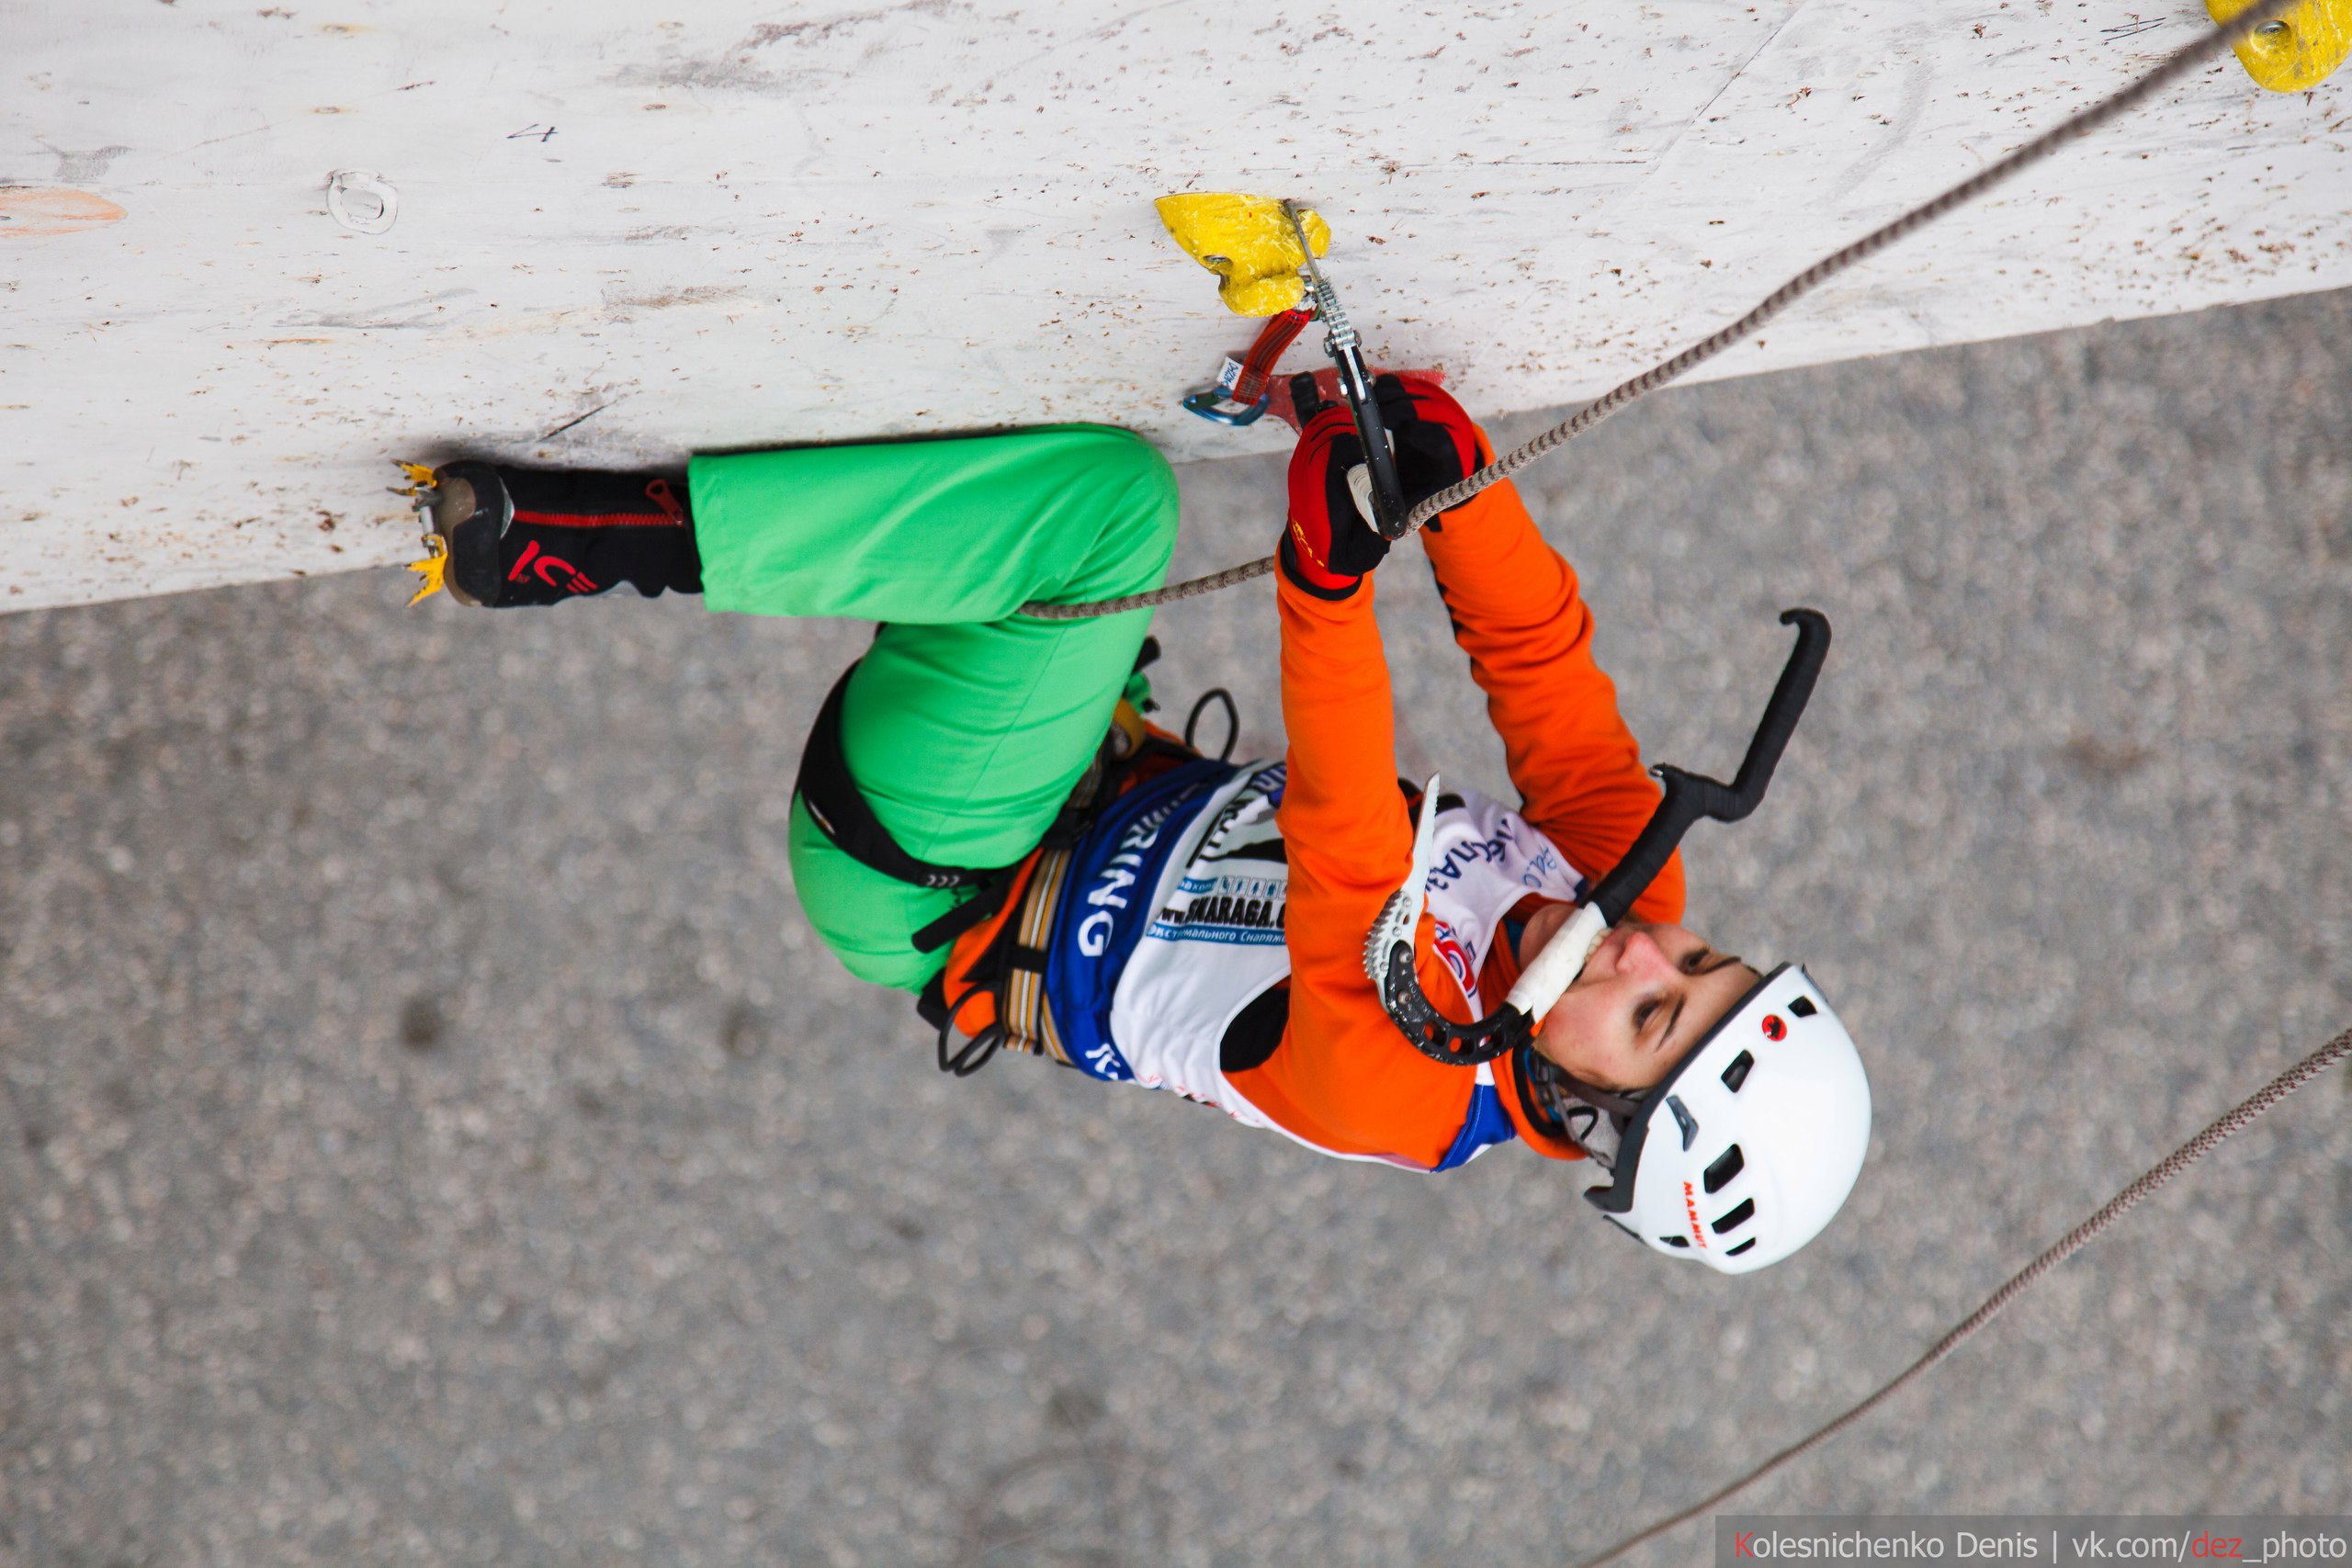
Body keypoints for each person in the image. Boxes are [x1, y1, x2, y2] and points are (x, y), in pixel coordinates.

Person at [408, 377, 1870, 1271]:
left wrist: (1329, 578)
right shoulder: (1620, 906)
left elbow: (1348, 836)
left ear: (1588, 1112)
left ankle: (569, 544)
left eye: (1648, 1022)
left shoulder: (1406, 1095)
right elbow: (1545, 675)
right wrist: (1456, 481)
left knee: (1106, 513)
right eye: (1701, 962)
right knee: (1018, 513)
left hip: (932, 869)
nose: (1642, 958)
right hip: (1093, 748)